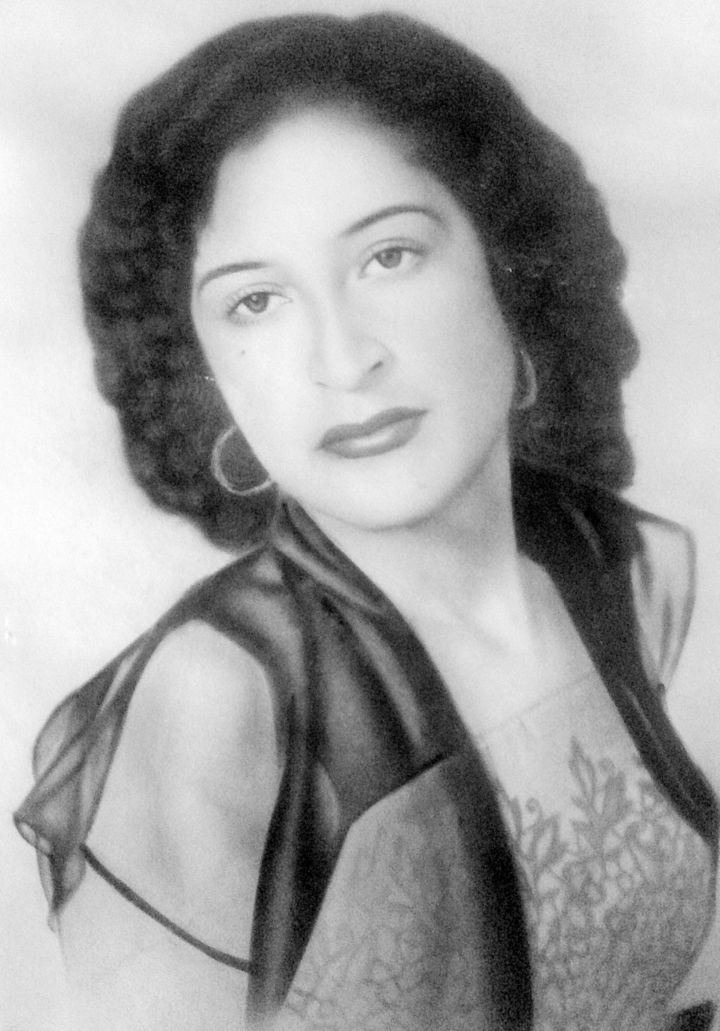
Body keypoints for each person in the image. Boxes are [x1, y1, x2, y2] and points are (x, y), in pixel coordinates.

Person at [13, 11, 718, 1031]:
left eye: (389, 255)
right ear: (201, 367)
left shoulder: (640, 570)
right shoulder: (213, 699)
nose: (343, 358)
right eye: (256, 302)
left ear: (508, 267)